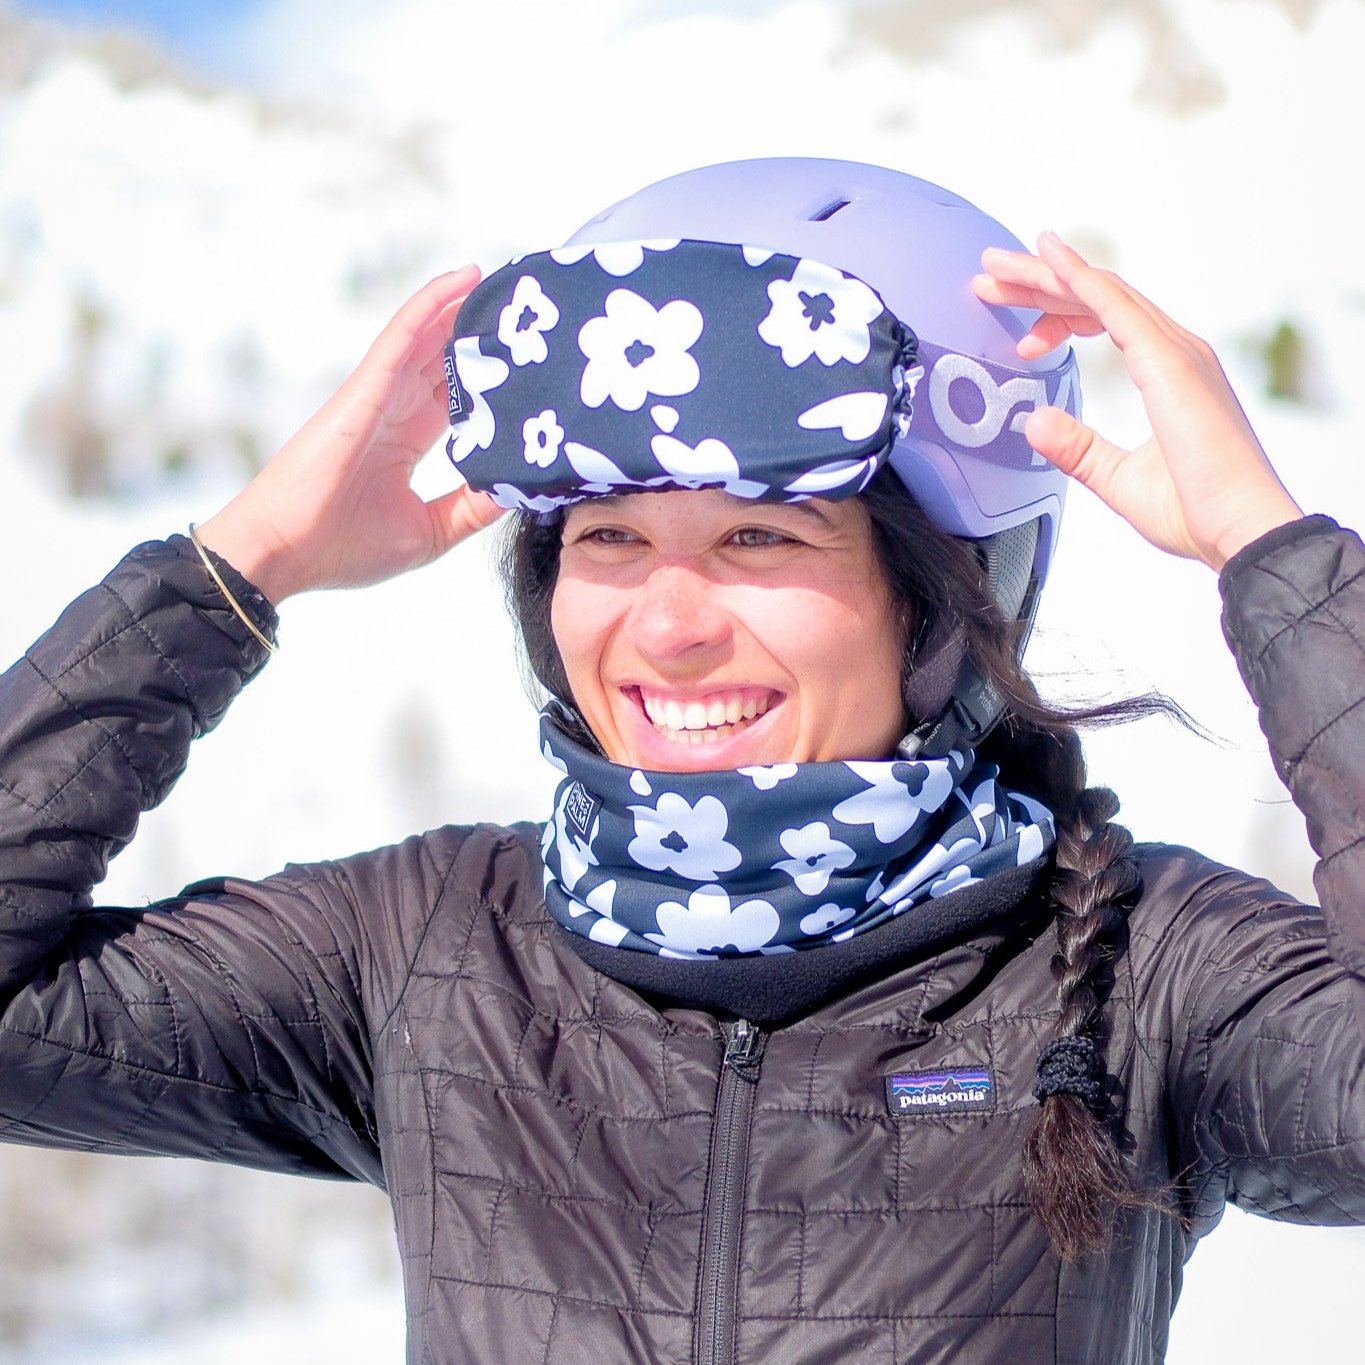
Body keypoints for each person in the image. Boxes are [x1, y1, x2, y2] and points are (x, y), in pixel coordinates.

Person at [0, 157, 1360, 1364]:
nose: (666, 626)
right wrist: (238, 566)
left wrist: (1274, 561)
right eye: (608, 539)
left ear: (952, 601)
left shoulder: (1134, 974)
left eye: (760, 537)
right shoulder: (429, 957)